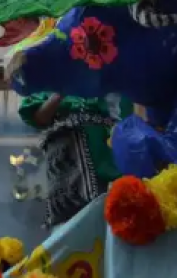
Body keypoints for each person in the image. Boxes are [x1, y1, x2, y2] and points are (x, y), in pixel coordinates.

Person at [19, 92, 132, 231]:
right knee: (73, 222)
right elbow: (36, 116)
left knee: (118, 211)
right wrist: (61, 91)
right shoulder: (49, 77)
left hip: (111, 147)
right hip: (69, 154)